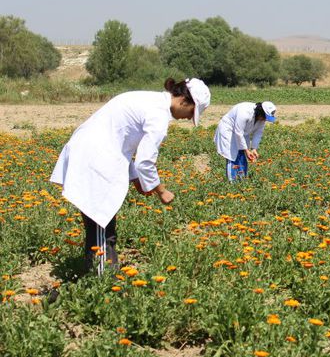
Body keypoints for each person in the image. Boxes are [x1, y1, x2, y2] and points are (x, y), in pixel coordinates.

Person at [50, 78, 210, 274]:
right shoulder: (158, 116)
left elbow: (123, 143)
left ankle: (95, 275)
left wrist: (136, 179)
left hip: (90, 151)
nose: (188, 119)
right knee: (101, 224)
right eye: (191, 113)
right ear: (184, 101)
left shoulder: (145, 99)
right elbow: (144, 161)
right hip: (95, 158)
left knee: (99, 224)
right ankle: (102, 280)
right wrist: (161, 191)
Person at [214, 101, 277, 181]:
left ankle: (241, 180)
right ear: (260, 112)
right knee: (232, 156)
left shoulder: (261, 119)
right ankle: (232, 182)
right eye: (265, 117)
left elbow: (258, 133)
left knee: (241, 155)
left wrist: (254, 148)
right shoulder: (244, 112)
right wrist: (247, 150)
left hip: (242, 133)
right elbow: (238, 132)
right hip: (229, 130)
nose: (265, 120)